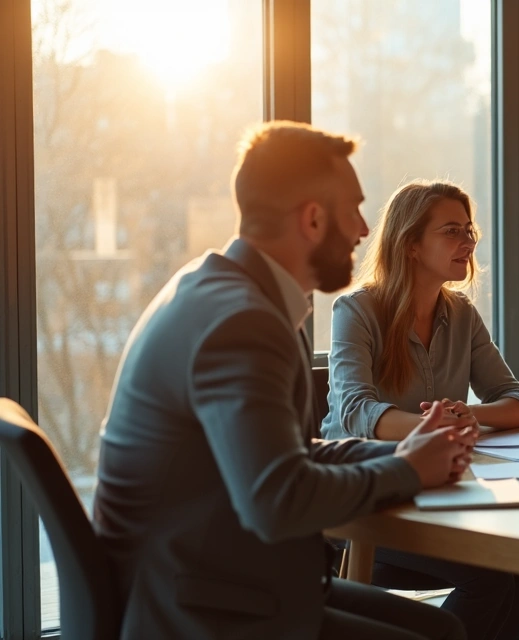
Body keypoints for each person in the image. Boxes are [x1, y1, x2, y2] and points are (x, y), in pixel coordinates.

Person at [92, 121, 476, 640]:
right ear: (313, 219)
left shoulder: (239, 296)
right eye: (353, 210)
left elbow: (292, 454)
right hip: (202, 612)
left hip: (221, 584)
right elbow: (277, 500)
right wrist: (409, 470)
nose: (364, 230)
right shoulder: (241, 321)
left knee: (446, 631)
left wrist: (411, 454)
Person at [321, 179, 519, 640]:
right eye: (451, 231)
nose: (468, 242)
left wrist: (469, 415)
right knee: (494, 576)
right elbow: (358, 413)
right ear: (412, 245)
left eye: (469, 230)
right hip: (365, 511)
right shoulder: (356, 311)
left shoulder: (461, 313)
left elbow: (518, 400)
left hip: (441, 499)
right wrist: (436, 428)